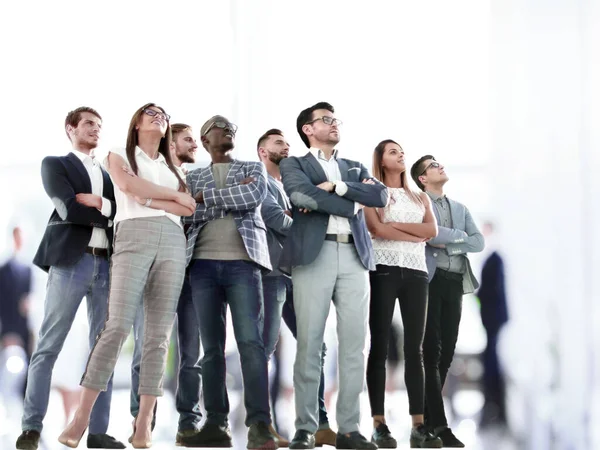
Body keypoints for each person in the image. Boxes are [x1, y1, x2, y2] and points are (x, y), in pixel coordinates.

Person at [58, 103, 195, 449]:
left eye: (164, 114)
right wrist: (165, 197)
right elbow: (126, 186)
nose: (159, 116)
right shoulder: (119, 154)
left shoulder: (173, 168)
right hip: (133, 235)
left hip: (173, 243)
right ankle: (81, 417)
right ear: (136, 124)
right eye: (151, 112)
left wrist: (150, 195)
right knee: (116, 326)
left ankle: (144, 423)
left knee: (158, 337)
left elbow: (188, 207)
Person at [280, 102, 388, 450]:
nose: (334, 124)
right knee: (310, 344)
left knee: (355, 345)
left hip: (355, 256)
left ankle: (349, 429)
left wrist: (338, 188)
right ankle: (304, 428)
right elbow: (299, 194)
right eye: (325, 120)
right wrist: (351, 201)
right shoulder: (293, 164)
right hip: (315, 254)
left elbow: (379, 194)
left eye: (334, 119)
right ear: (308, 129)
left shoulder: (354, 167)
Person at [16, 107, 125, 450]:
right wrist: (107, 209)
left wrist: (103, 205)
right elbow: (68, 209)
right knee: (48, 346)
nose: (96, 130)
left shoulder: (109, 172)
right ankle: (31, 428)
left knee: (102, 351)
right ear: (71, 129)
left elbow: (125, 211)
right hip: (70, 263)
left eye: (99, 126)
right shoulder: (56, 164)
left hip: (106, 265)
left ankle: (97, 432)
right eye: (89, 124)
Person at [182, 115, 276, 449]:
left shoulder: (254, 168)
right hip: (202, 267)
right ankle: (216, 424)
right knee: (211, 350)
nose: (228, 130)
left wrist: (206, 198)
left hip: (244, 265)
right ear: (206, 140)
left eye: (231, 128)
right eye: (220, 128)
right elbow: (187, 212)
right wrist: (222, 196)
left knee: (252, 345)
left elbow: (251, 199)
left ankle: (259, 425)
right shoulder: (192, 176)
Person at [257, 128, 337, 448]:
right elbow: (276, 218)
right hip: (272, 276)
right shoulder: (259, 182)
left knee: (315, 346)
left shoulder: (293, 186)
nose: (286, 147)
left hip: (299, 276)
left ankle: (317, 423)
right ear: (262, 152)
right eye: (279, 143)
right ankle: (264, 425)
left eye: (288, 144)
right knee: (264, 352)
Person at [364, 139, 442, 449]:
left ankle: (418, 426)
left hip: (416, 273)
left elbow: (431, 232)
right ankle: (379, 425)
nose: (401, 155)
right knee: (379, 347)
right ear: (381, 161)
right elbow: (376, 230)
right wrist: (411, 232)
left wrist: (392, 224)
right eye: (393, 152)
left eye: (402, 151)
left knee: (415, 350)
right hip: (383, 270)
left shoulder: (421, 196)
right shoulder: (373, 193)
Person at [129, 123, 203, 445]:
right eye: (188, 139)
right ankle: (140, 419)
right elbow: (140, 200)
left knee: (191, 353)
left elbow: (199, 209)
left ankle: (188, 421)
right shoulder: (149, 172)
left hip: (191, 273)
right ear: (171, 144)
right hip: (154, 269)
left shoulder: (198, 178)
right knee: (146, 346)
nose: (194, 145)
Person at [410, 156, 485, 448]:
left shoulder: (460, 208)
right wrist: (455, 237)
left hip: (455, 283)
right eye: (432, 165)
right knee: (431, 351)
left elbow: (477, 242)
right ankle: (439, 426)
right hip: (430, 280)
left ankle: (426, 424)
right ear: (422, 179)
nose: (439, 166)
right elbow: (430, 237)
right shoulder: (418, 205)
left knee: (447, 353)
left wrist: (449, 241)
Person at [477, 221, 509, 428]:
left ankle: (493, 402)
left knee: (492, 359)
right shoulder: (491, 259)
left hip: (493, 318)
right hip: (491, 319)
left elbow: (494, 291)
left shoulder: (495, 259)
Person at [0, 226, 32, 395]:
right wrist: (7, 333)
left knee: (24, 377)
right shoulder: (4, 270)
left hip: (25, 330)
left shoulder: (28, 269)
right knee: (10, 372)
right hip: (10, 331)